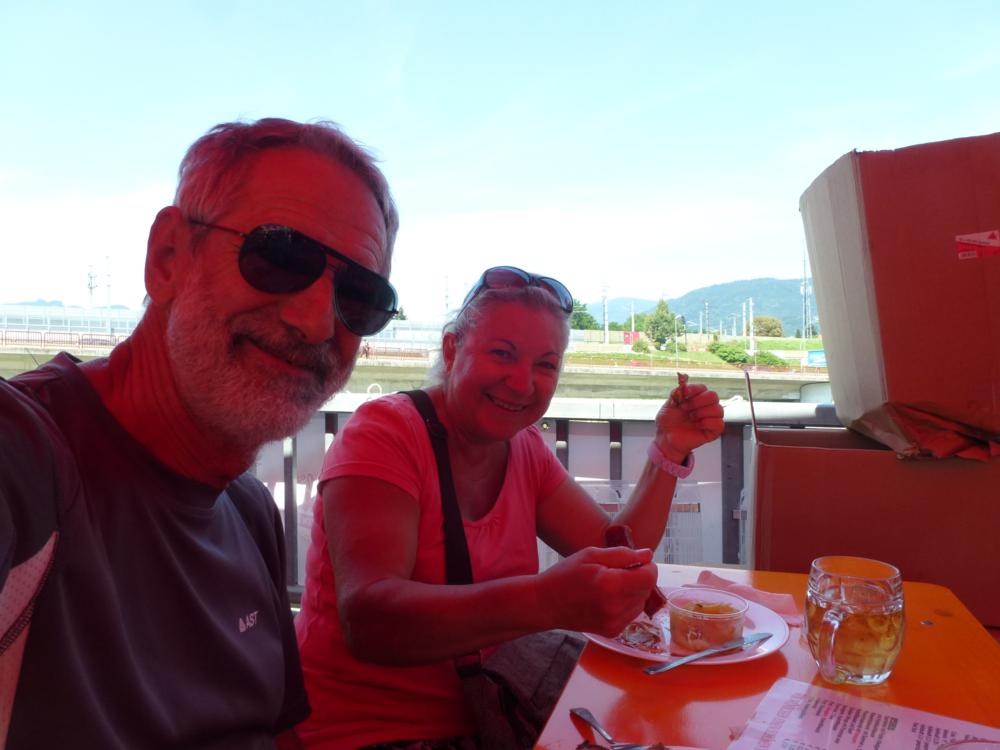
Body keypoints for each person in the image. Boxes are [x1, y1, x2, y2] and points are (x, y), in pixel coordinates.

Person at [0, 117, 399, 749]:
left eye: (360, 297)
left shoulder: (249, 512)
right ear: (168, 259)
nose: (317, 322)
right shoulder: (25, 458)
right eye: (279, 257)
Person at [294, 267, 725, 749]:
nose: (522, 384)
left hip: (498, 711)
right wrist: (545, 601)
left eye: (546, 365)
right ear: (453, 349)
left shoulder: (526, 449)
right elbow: (370, 621)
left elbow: (621, 551)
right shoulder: (384, 433)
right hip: (364, 732)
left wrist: (668, 449)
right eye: (502, 353)